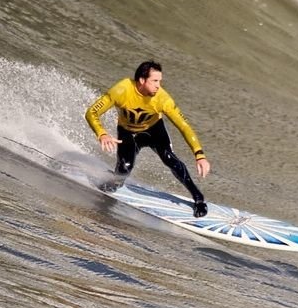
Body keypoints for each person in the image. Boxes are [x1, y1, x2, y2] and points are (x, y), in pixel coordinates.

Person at [85, 60, 212, 217]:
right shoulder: (122, 90)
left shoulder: (163, 99)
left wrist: (199, 155)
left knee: (170, 159)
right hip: (128, 132)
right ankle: (116, 180)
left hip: (154, 130)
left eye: (160, 81)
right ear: (142, 80)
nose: (159, 86)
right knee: (124, 168)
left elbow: (184, 126)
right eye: (155, 81)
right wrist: (102, 133)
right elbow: (92, 112)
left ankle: (198, 198)